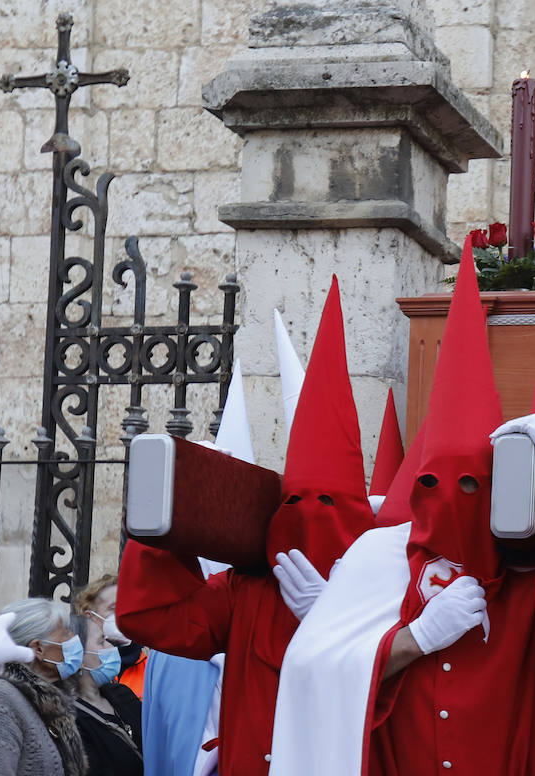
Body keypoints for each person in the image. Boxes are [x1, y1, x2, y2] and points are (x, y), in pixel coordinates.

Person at [268, 283, 535, 776]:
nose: (449, 498)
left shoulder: (526, 574)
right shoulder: (378, 557)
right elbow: (317, 676)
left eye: (470, 484)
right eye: (431, 482)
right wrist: (415, 638)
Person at [117, 277, 376, 776]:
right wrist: (178, 521)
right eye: (295, 500)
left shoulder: (384, 590)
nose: (310, 515)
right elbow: (153, 618)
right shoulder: (246, 589)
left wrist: (336, 622)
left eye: (329, 502)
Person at [0, 598, 88, 776]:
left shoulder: (50, 700)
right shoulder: (0, 699)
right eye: (66, 633)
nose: (75, 639)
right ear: (38, 648)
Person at [69, 613, 143, 775]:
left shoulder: (123, 695)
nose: (112, 648)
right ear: (77, 656)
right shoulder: (71, 720)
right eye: (101, 641)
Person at [76, 576, 148, 697]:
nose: (124, 614)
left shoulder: (150, 668)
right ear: (90, 616)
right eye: (114, 608)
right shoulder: (74, 668)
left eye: (129, 607)